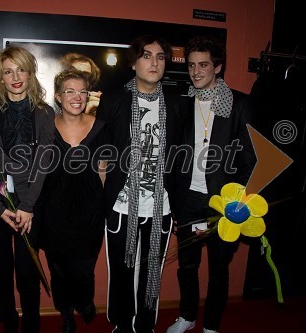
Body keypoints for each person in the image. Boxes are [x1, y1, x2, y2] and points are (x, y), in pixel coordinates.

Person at [166, 35, 256, 333]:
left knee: (218, 269)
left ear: (218, 67)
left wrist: (238, 199)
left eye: (203, 65)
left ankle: (212, 326)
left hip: (224, 203)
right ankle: (188, 316)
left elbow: (251, 159)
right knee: (187, 266)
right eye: (191, 65)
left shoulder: (240, 104)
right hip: (188, 199)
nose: (196, 71)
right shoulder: (183, 102)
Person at [95, 34, 184, 333]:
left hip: (161, 206)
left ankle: (145, 325)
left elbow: (182, 155)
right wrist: (105, 201)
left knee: (151, 271)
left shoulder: (176, 103)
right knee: (121, 271)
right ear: (133, 63)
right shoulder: (114, 99)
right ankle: (122, 324)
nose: (154, 62)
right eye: (147, 56)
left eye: (160, 57)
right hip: (121, 205)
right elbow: (102, 156)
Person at [0, 46, 55, 333]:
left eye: (20, 69)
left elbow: (44, 161)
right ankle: (8, 321)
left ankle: (31, 324)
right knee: (1, 266)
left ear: (30, 72)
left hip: (30, 204)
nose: (15, 77)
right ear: (0, 78)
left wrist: (27, 206)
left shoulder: (45, 113)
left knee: (27, 269)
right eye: (8, 72)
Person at [39, 68, 108, 333]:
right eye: (70, 91)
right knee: (58, 270)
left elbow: (103, 169)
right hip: (54, 210)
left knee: (83, 269)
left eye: (82, 92)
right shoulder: (45, 127)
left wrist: (104, 207)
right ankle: (66, 312)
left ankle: (85, 301)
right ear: (58, 96)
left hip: (89, 210)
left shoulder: (100, 126)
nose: (77, 97)